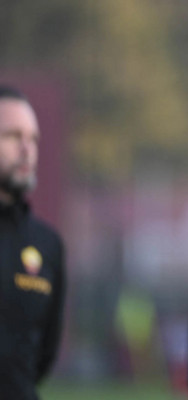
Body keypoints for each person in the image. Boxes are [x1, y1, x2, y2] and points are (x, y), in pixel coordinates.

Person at [0, 85, 66, 400]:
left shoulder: (47, 244)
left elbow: (43, 356)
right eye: (13, 136)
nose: (26, 149)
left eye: (33, 139)